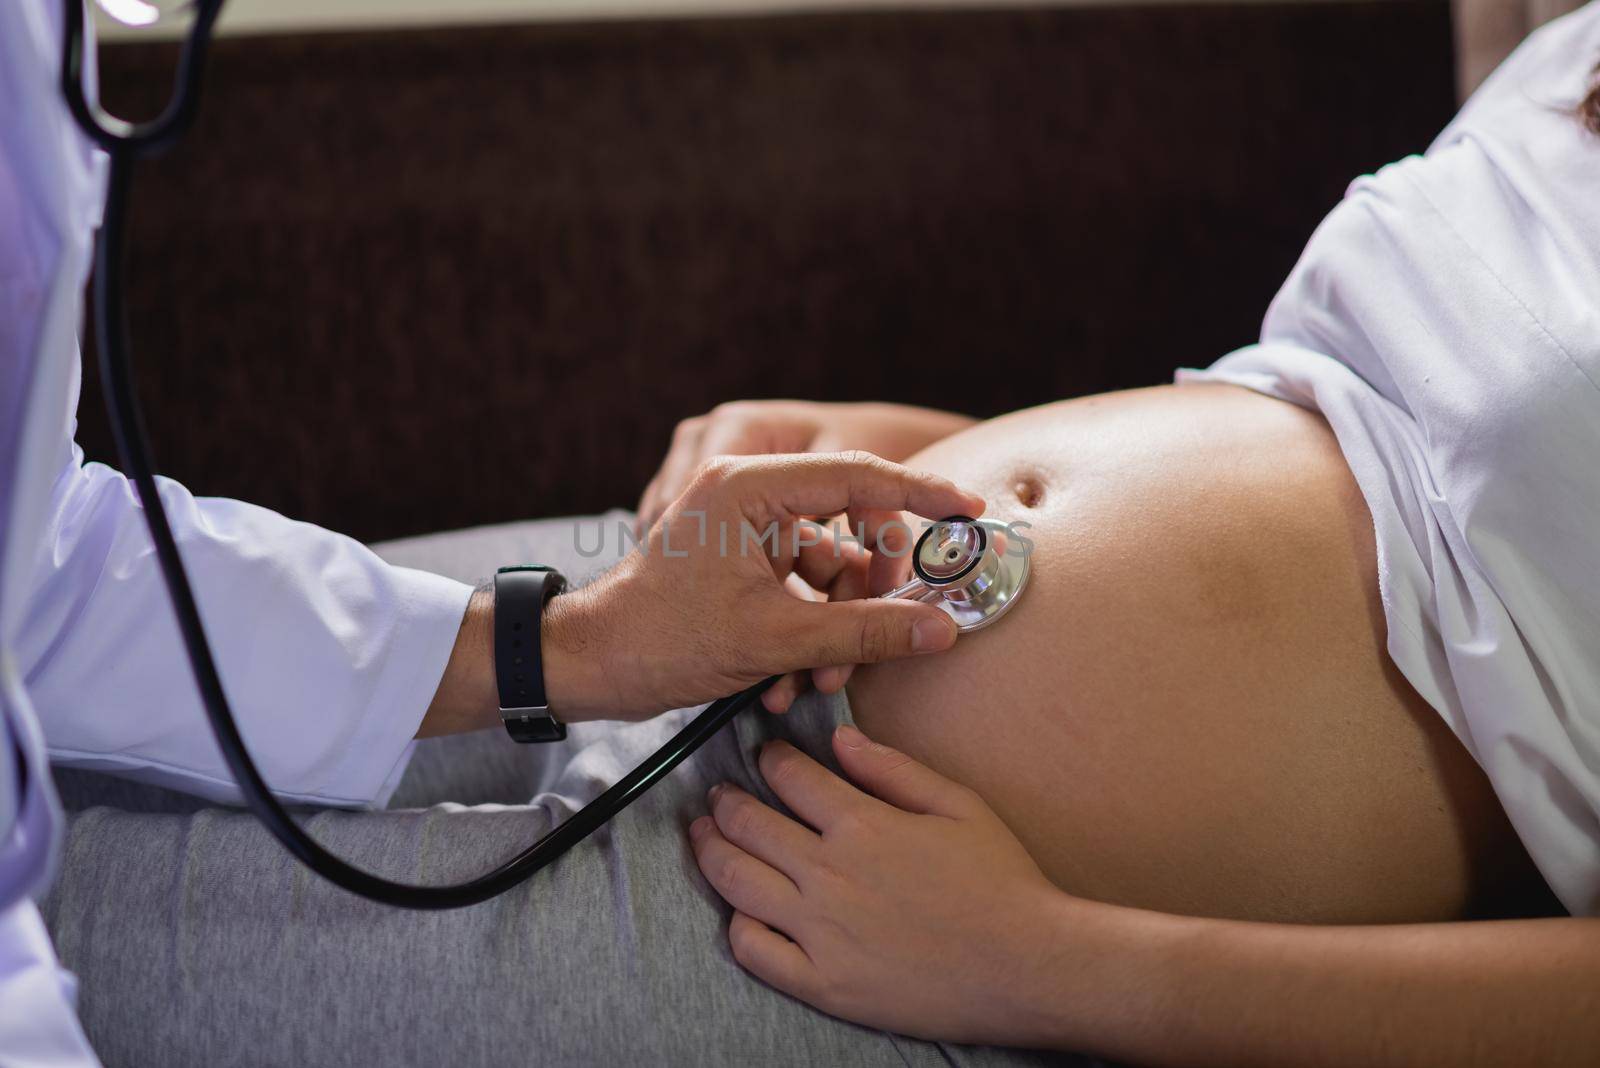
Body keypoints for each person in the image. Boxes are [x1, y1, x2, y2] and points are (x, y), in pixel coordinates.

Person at [15, 5, 1600, 1068]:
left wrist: (1043, 965)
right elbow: (1376, 424)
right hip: (702, 604)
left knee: (80, 931)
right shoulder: (1559, 44)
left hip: (865, 916)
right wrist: (913, 447)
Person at [0, 3, 985, 1063]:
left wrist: (578, 646)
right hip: (732, 685)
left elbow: (34, 549)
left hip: (849, 861)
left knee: (90, 910)